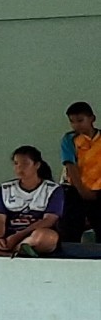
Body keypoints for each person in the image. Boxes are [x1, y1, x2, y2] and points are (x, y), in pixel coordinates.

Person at [0, 147, 64, 258]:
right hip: (8, 235)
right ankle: (11, 254)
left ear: (37, 165)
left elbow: (49, 220)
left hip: (33, 234)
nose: (19, 168)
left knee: (47, 238)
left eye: (25, 164)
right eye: (16, 164)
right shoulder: (5, 188)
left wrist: (18, 237)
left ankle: (22, 247)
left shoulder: (53, 189)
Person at [59, 102, 101, 244]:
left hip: (99, 189)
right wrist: (82, 190)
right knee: (71, 227)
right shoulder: (69, 139)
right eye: (72, 122)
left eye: (80, 120)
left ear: (92, 119)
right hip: (76, 188)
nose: (76, 125)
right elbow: (71, 166)